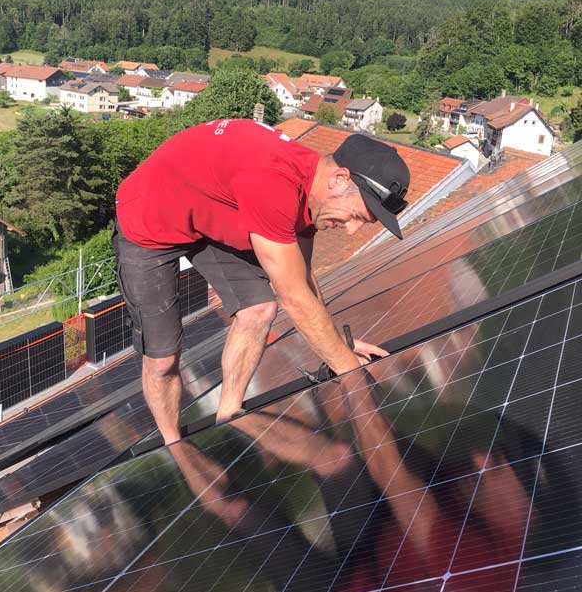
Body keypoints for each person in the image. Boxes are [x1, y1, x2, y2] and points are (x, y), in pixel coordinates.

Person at [112, 118, 410, 444]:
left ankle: (229, 412)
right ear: (339, 179)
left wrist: (341, 343)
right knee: (163, 360)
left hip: (209, 211)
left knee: (259, 310)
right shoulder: (273, 181)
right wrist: (350, 372)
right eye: (356, 216)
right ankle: (174, 446)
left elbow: (302, 279)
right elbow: (294, 299)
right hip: (149, 221)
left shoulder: (311, 191)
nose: (352, 230)